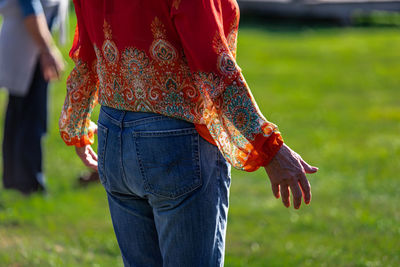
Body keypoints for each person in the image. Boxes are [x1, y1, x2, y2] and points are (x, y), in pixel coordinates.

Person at [59, 0, 318, 266]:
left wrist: (76, 122)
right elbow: (214, 67)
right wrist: (269, 148)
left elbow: (88, 54)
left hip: (114, 135)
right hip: (173, 141)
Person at [0, 0, 67, 194]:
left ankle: (18, 180)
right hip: (29, 41)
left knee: (22, 112)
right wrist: (47, 49)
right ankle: (28, 183)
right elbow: (29, 7)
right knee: (29, 116)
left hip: (31, 40)